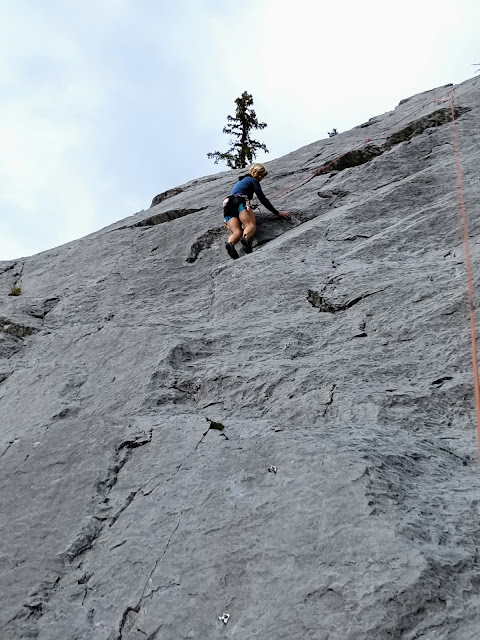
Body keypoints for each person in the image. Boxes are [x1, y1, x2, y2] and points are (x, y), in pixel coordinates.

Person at [222, 163, 291, 259]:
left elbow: (237, 197)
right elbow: (262, 198)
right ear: (253, 172)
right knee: (250, 226)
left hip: (228, 205)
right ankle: (245, 239)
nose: (260, 177)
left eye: (262, 176)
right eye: (259, 174)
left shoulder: (240, 181)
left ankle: (230, 243)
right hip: (241, 202)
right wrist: (277, 213)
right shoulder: (253, 180)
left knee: (236, 232)